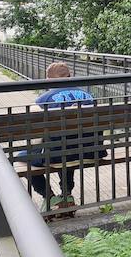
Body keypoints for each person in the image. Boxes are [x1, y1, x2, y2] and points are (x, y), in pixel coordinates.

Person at [22, 62, 104, 214]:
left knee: (22, 157)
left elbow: (35, 135)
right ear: (70, 77)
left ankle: (49, 197)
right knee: (67, 148)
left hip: (57, 156)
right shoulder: (89, 97)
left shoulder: (42, 100)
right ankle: (67, 195)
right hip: (91, 152)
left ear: (48, 80)